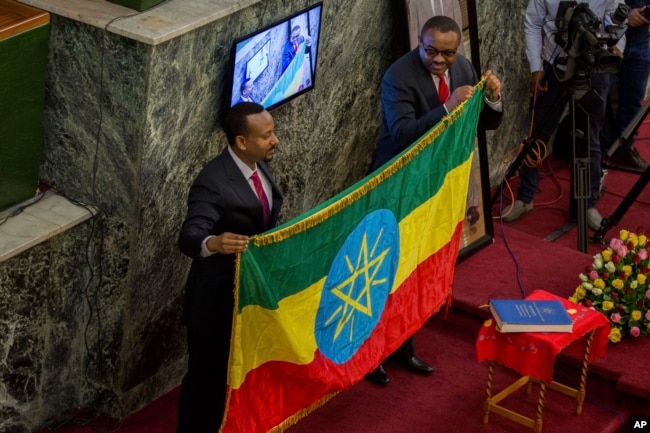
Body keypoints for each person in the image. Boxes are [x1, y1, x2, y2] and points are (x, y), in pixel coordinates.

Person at [367, 15, 503, 385]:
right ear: (420, 42)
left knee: (415, 268)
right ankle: (372, 356)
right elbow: (401, 134)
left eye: (447, 53)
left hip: (436, 186)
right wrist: (445, 110)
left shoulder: (464, 66)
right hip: (397, 184)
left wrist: (493, 99)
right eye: (432, 52)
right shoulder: (398, 76)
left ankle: (403, 347)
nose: (440, 60)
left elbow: (484, 123)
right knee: (387, 271)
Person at [176, 102, 283, 433]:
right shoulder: (213, 181)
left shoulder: (256, 164)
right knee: (205, 383)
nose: (275, 140)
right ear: (241, 142)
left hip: (248, 295)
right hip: (214, 304)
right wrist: (214, 242)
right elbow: (189, 235)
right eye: (266, 136)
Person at [502, 0, 617, 230]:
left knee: (590, 138)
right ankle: (525, 197)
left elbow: (616, 18)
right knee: (536, 134)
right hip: (554, 64)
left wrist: (615, 45)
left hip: (593, 68)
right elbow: (533, 22)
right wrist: (536, 67)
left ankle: (587, 205)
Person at [605, 0, 650, 173]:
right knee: (599, 99)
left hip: (640, 44)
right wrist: (627, 15)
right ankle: (595, 149)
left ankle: (623, 150)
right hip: (609, 41)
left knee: (633, 100)